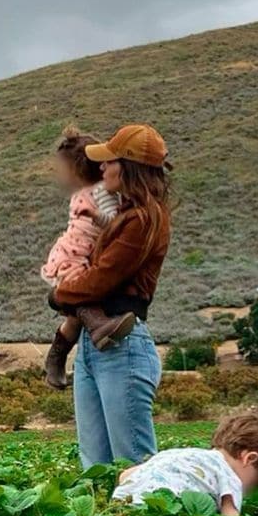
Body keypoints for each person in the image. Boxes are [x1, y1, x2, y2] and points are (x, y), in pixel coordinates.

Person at [50, 124, 172, 468]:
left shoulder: (144, 220)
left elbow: (100, 281)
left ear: (130, 166)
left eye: (109, 162)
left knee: (133, 466)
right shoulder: (125, 215)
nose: (101, 169)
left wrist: (60, 295)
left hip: (123, 345)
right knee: (96, 468)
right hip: (96, 344)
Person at [42, 128, 137, 389]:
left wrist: (95, 217)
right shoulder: (90, 193)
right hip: (75, 255)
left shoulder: (101, 193)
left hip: (78, 254)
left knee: (74, 316)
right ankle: (99, 328)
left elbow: (111, 223)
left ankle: (56, 359)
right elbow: (111, 225)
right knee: (80, 302)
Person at [112, 411, 258, 515]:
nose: (244, 493)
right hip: (163, 510)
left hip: (123, 502)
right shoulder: (229, 475)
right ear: (249, 459)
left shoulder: (182, 454)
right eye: (250, 485)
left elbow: (125, 475)